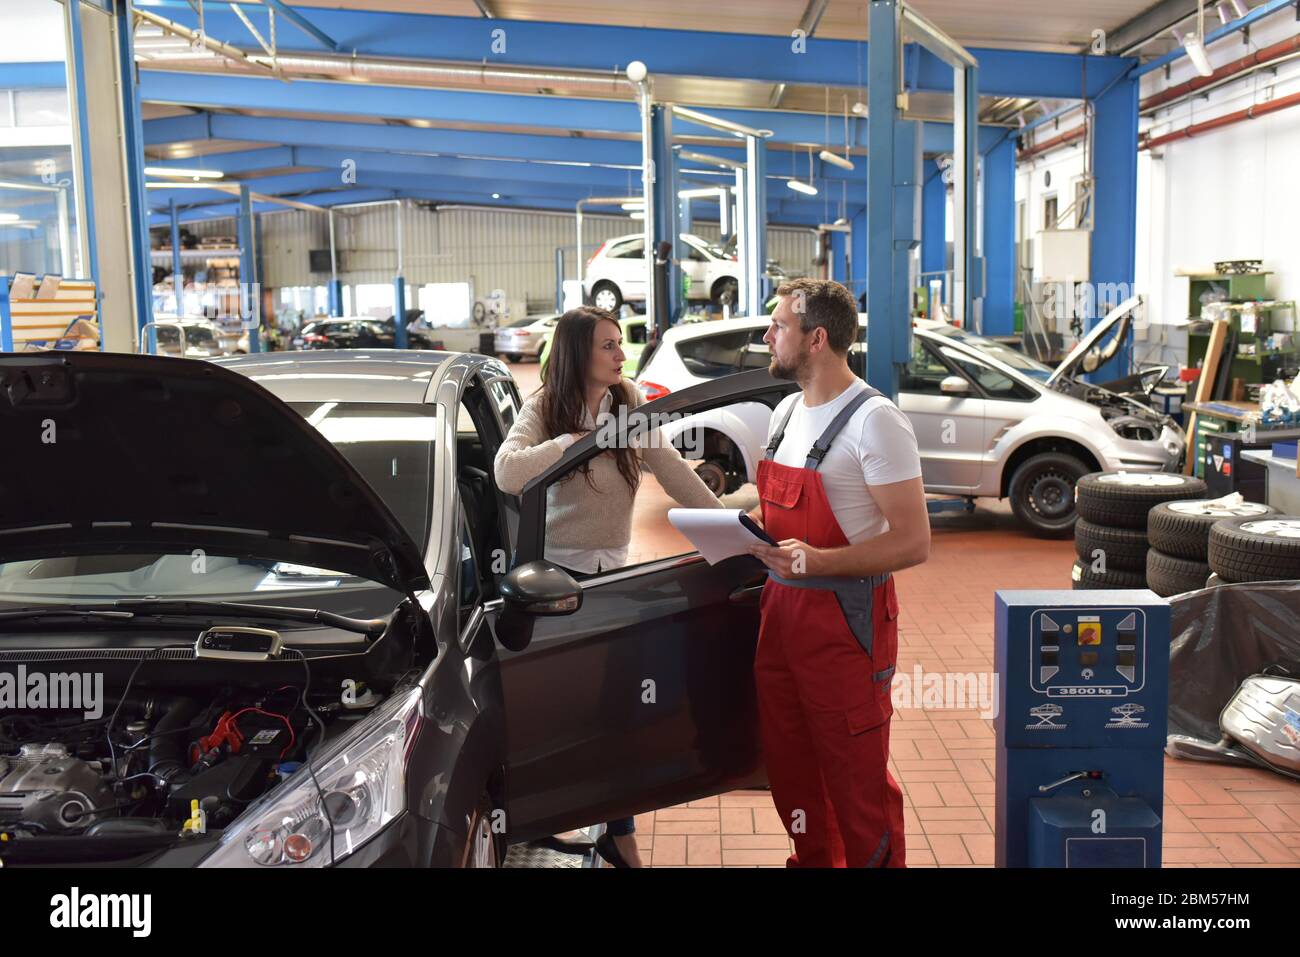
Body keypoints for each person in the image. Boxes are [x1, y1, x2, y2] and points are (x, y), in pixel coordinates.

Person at [494, 305, 723, 867]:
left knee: (619, 705)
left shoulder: (630, 403)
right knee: (566, 706)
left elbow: (669, 467)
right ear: (579, 352)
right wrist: (575, 441)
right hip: (557, 579)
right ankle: (559, 816)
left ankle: (617, 833)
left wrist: (729, 528)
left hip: (614, 573)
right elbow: (507, 471)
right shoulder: (546, 406)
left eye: (621, 344)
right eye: (609, 346)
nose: (622, 355)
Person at [745, 278, 930, 867]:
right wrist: (735, 527)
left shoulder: (876, 422)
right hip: (781, 617)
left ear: (816, 339)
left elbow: (914, 541)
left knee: (858, 786)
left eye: (778, 326)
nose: (768, 335)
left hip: (846, 625)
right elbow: (774, 506)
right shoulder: (785, 412)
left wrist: (820, 561)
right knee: (794, 772)